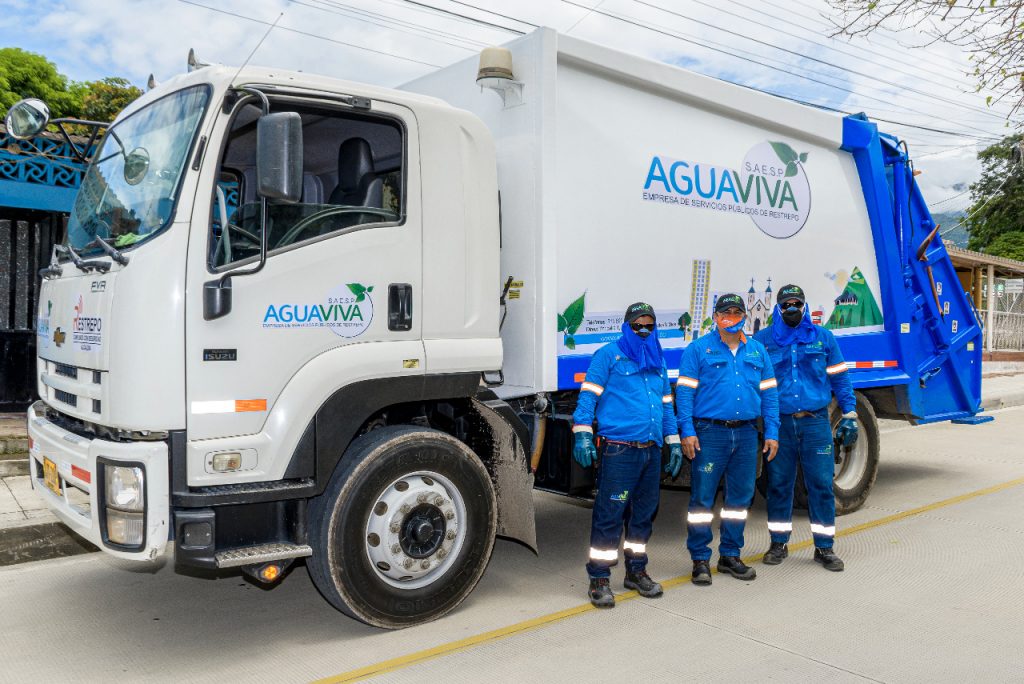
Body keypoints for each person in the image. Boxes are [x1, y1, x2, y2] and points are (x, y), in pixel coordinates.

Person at [572, 302, 684, 608]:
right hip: (620, 450)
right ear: (627, 327)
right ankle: (599, 578)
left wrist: (673, 441)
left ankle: (636, 571)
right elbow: (588, 397)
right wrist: (582, 433)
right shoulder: (608, 355)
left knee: (644, 516)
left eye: (649, 325)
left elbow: (666, 405)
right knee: (609, 516)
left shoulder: (658, 359)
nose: (644, 330)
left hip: (651, 450)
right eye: (638, 325)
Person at [676, 293, 779, 586]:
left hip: (747, 434)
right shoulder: (698, 350)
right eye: (725, 313)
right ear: (716, 317)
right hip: (710, 434)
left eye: (736, 312)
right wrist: (687, 431)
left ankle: (730, 555)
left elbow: (770, 395)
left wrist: (772, 432)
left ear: (745, 316)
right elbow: (684, 394)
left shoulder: (758, 351)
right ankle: (700, 559)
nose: (731, 317)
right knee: (702, 499)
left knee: (740, 498)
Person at [753, 284, 857, 571]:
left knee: (821, 485)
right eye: (786, 304)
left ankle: (825, 548)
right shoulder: (762, 341)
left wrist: (850, 413)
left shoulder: (823, 338)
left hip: (815, 423)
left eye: (796, 304)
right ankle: (778, 543)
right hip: (780, 425)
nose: (792, 309)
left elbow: (840, 378)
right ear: (778, 308)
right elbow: (752, 383)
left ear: (804, 306)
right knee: (779, 485)